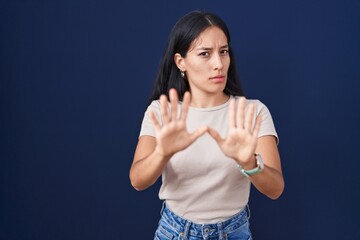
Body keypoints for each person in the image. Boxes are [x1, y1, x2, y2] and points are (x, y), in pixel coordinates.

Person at [129, 10, 284, 240]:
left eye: (223, 52)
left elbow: (275, 189)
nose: (218, 64)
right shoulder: (162, 112)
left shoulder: (252, 112)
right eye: (205, 54)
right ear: (181, 62)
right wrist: (162, 153)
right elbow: (138, 180)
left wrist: (248, 162)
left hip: (234, 233)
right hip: (174, 232)